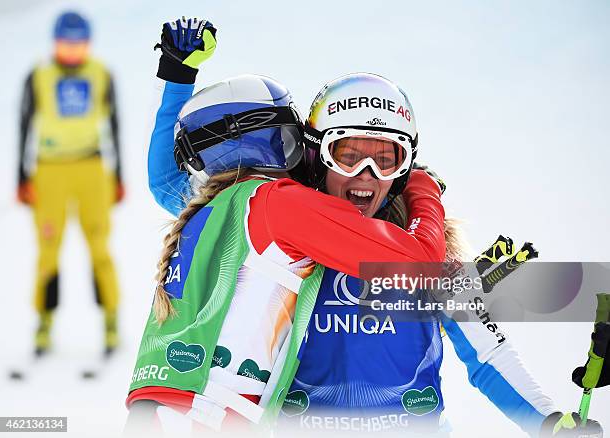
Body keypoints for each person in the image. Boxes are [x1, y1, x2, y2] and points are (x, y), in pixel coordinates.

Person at [143, 17, 604, 438]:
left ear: (406, 167)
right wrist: (178, 82)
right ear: (316, 154)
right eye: (349, 155)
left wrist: (549, 423)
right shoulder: (279, 230)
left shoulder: (431, 247)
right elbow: (174, 186)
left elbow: (489, 358)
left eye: (386, 159)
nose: (367, 175)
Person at [124, 17, 446, 435]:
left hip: (161, 412)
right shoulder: (280, 207)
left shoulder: (221, 206)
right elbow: (421, 265)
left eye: (385, 161)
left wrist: (175, 76)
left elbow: (165, 179)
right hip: (211, 419)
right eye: (288, 135)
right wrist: (421, 187)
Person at [17, 11, 124, 356]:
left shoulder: (101, 74)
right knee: (48, 249)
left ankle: (110, 320)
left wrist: (119, 175)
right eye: (67, 43)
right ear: (56, 42)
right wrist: (22, 176)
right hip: (49, 169)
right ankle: (44, 321)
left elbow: (115, 124)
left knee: (99, 246)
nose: (73, 50)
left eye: (79, 43)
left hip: (91, 166)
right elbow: (24, 124)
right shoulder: (39, 75)